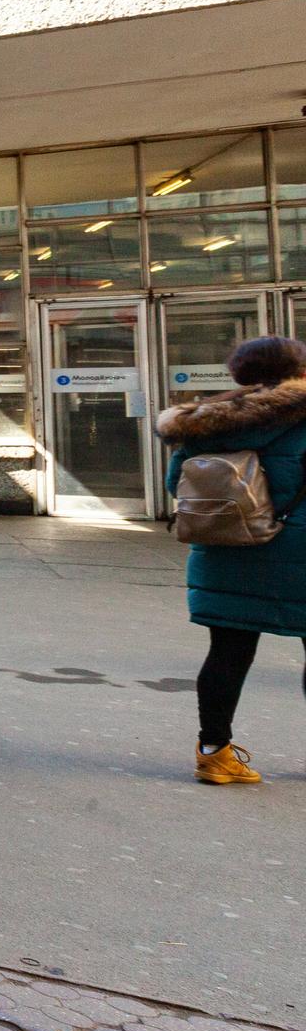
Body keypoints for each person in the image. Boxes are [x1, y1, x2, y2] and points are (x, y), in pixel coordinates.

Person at [156, 334, 306, 785]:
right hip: (301, 554)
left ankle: (214, 753)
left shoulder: (204, 424)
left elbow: (175, 485)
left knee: (227, 654)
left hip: (228, 551)